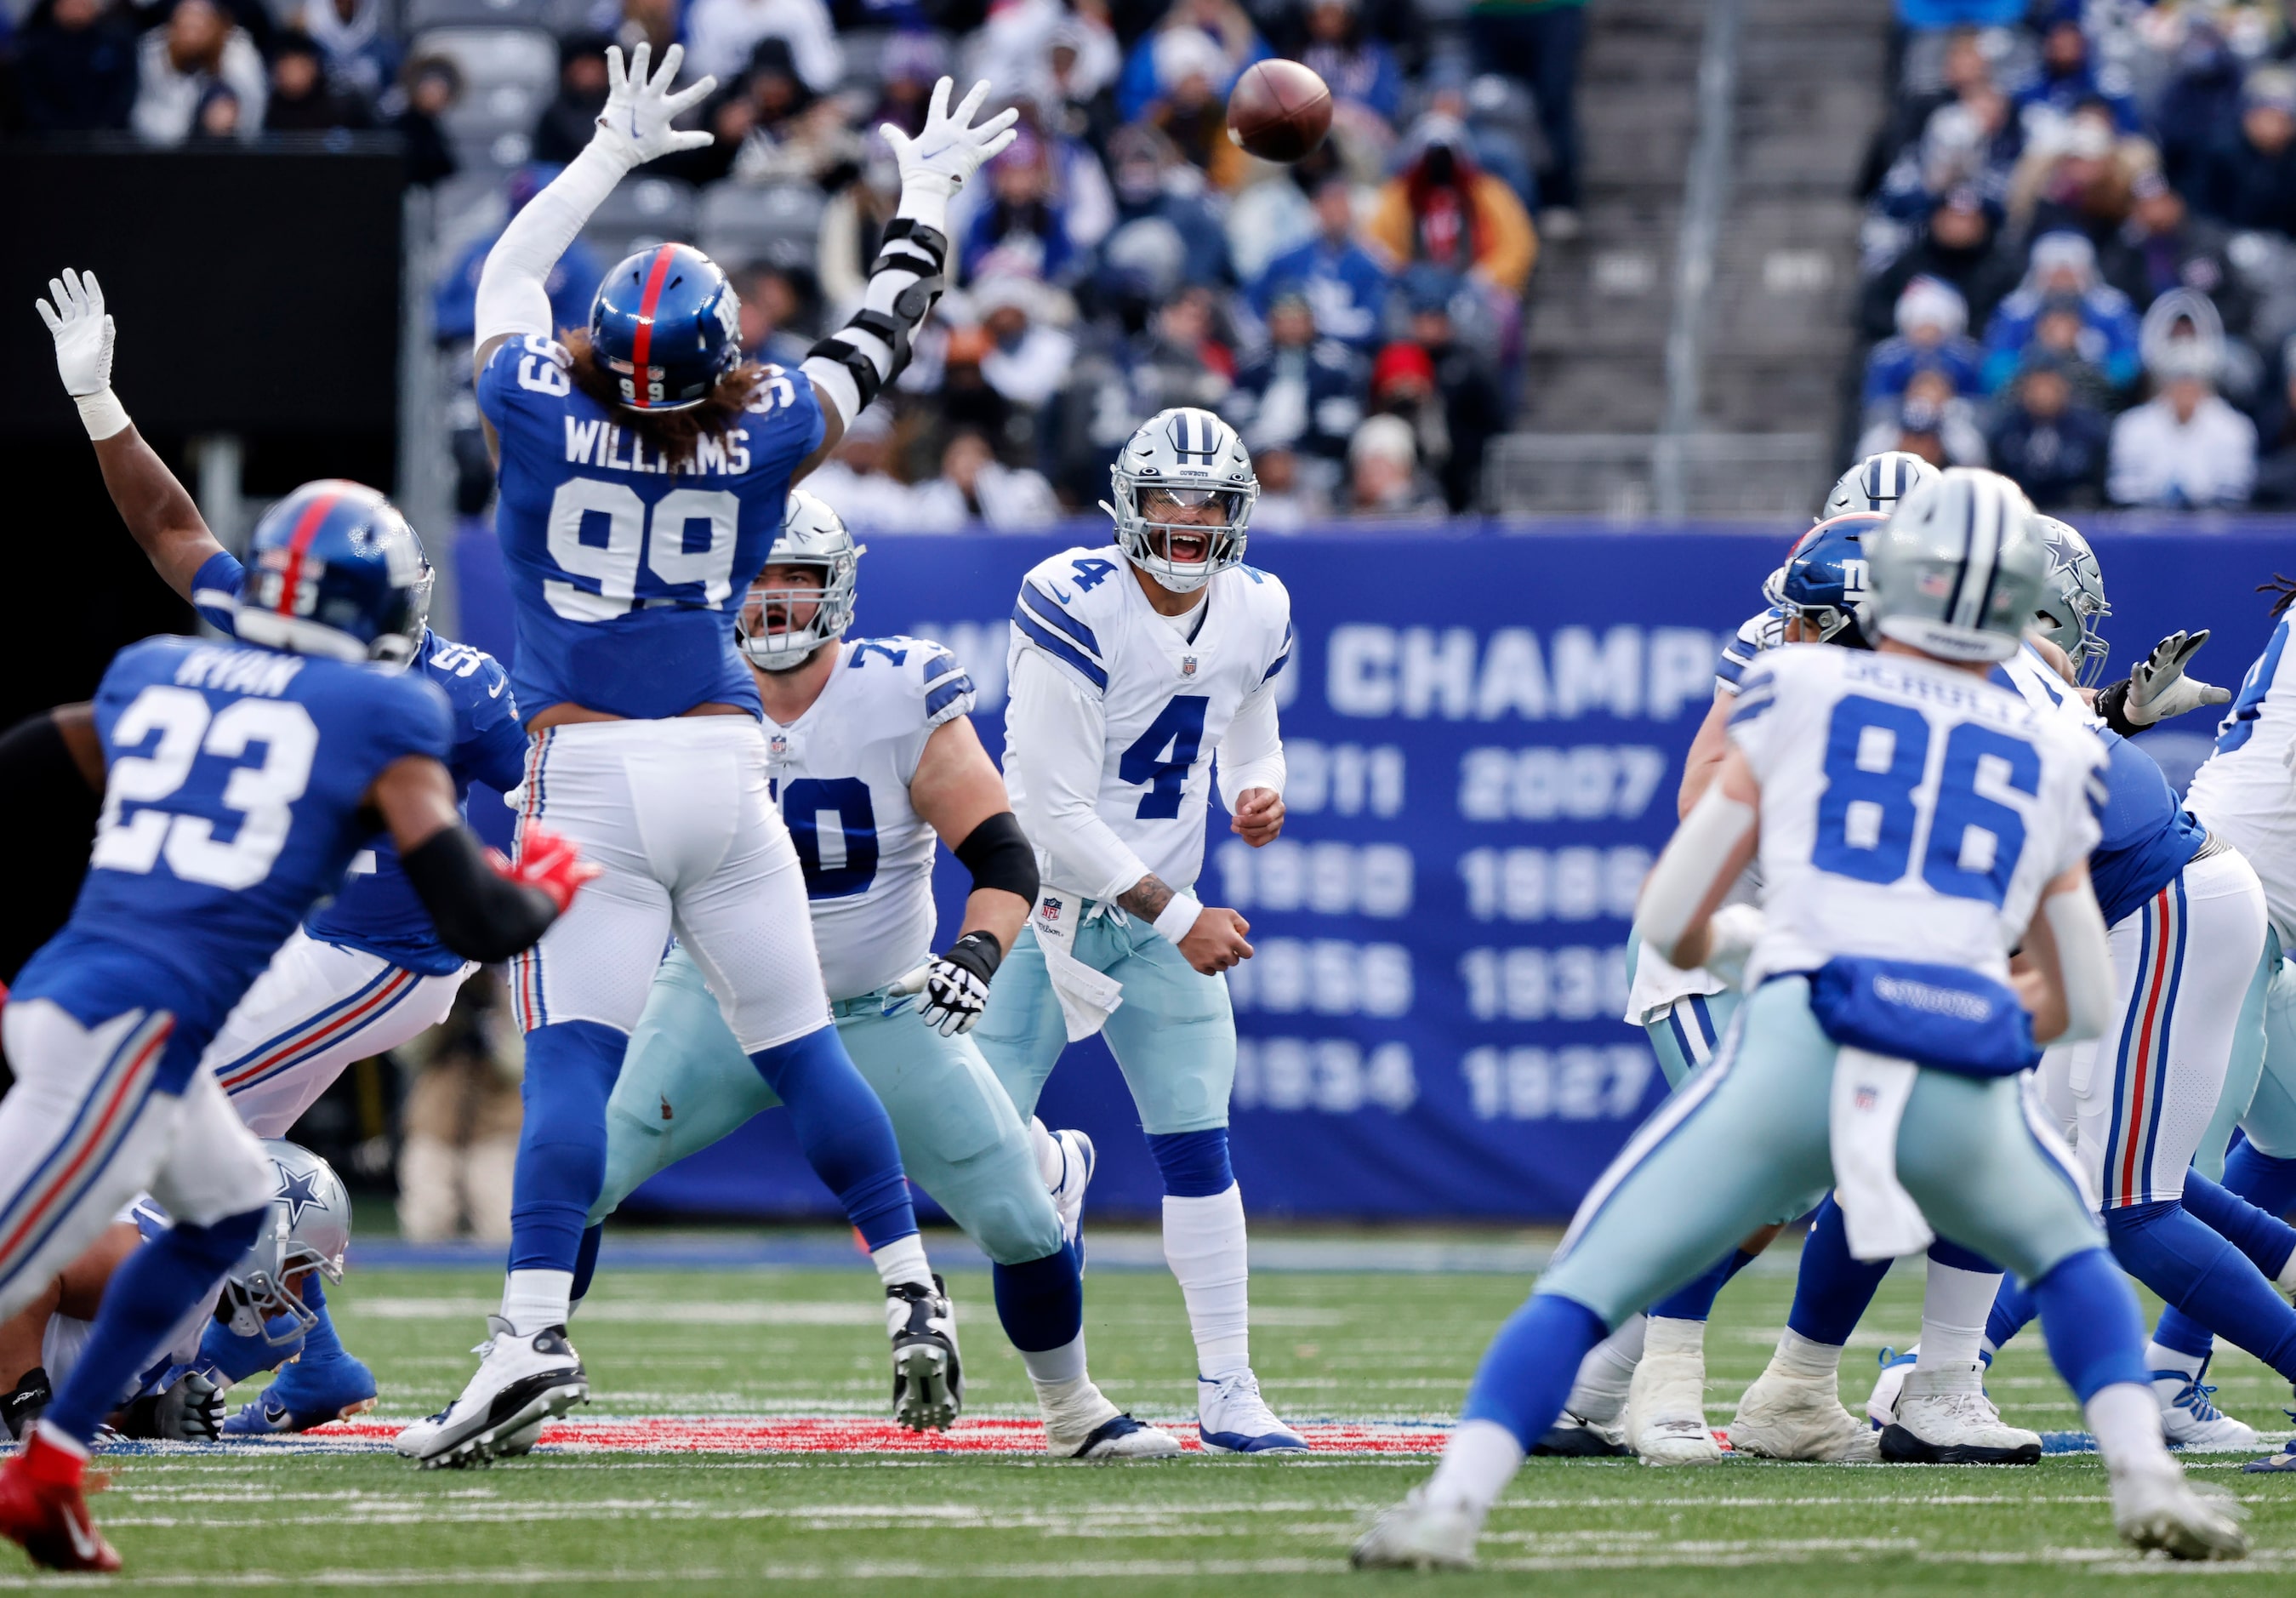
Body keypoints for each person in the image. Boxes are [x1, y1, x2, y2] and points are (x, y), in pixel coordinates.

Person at [1354, 469, 2248, 1568]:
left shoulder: (1796, 694)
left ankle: (1453, 1502)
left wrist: (1753, 948)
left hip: (1804, 1024)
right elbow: (2074, 993)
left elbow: (1675, 915)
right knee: (2065, 1255)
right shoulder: (2061, 742)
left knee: (1594, 1267)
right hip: (1955, 1041)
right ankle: (2146, 1478)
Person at [396, 51, 1017, 1466]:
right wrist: (924, 196)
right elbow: (880, 331)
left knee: (569, 1071)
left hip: (590, 776)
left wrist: (609, 156)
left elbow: (506, 275)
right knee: (806, 1052)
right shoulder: (761, 435)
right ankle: (912, 1288)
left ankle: (528, 1332)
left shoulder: (537, 414)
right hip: (727, 771)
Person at [0, 448, 587, 1571]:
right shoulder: (381, 707)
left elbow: (34, 758)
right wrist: (546, 895)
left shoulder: (160, 668)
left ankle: (53, 1458)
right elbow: (473, 909)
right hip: (136, 1022)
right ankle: (36, 1427)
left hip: (105, 1001)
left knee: (225, 1211)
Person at [41, 271, 533, 1437]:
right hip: (322, 940)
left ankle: (156, 1373)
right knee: (204, 1134)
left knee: (161, 1116)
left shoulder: (452, 691)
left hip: (384, 954)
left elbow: (547, 785)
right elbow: (173, 533)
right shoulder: (355, 654)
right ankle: (311, 1360)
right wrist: (102, 402)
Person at [587, 493, 1181, 1460]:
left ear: (839, 590)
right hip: (716, 999)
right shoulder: (676, 687)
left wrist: (975, 957)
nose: (775, 603)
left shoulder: (897, 691)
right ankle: (523, 1356)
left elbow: (1004, 859)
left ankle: (1072, 1408)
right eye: (758, 579)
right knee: (580, 1169)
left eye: (796, 580)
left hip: (877, 1005)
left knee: (1022, 1221)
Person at [974, 406, 1305, 1454]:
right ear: (1128, 501)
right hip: (1051, 914)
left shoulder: (1253, 607)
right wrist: (1178, 916)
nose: (1190, 518)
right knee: (964, 1146)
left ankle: (1228, 1387)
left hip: (1161, 911)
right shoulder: (1069, 603)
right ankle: (1051, 1173)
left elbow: (1249, 719)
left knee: (1198, 1146)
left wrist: (1257, 787)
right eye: (1170, 496)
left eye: (1209, 501)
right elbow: (1053, 814)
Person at [1, 1143, 356, 1447]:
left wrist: (147, 1418)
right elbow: (18, 1265)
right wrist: (29, 1407)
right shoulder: (154, 1252)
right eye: (301, 1272)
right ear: (261, 1245)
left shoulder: (194, 1287)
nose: (297, 1295)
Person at [1249, 171, 1389, 352]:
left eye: (1341, 205)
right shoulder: (1288, 259)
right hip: (1285, 349)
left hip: (1346, 354)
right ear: (1317, 208)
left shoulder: (1368, 266)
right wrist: (1276, 329)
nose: (1336, 214)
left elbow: (1372, 322)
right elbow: (1252, 304)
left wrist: (1317, 327)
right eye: (1329, 205)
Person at [2107, 351, 2257, 508]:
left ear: (2206, 385)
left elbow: (2236, 493)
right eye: (2179, 383)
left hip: (2214, 522)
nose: (2185, 390)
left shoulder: (2234, 427)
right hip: (2145, 522)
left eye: (2192, 383)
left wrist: (2196, 493)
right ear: (2164, 385)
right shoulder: (2132, 425)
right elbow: (2123, 491)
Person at [131, 0, 265, 145]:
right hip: (165, 146)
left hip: (231, 147)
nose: (192, 37)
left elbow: (254, 103)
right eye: (185, 28)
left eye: (198, 28)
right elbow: (145, 111)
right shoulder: (155, 50)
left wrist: (234, 120)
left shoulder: (238, 52)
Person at [1986, 354, 2109, 510]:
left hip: (2076, 511)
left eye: (2049, 387)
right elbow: (1998, 478)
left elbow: (2097, 483)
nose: (2043, 395)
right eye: (2036, 387)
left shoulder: (2090, 430)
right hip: (2018, 509)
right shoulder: (2004, 430)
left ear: (2064, 389)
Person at [14, 0, 138, 134]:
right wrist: (57, 129)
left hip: (105, 136)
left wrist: (102, 127)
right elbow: (31, 98)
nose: (76, 5)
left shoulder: (116, 43)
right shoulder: (35, 48)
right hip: (48, 138)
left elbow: (124, 91)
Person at [262, 29, 373, 131]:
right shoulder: (265, 113)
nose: (288, 73)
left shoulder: (343, 109)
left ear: (312, 66)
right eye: (283, 66)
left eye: (295, 66)